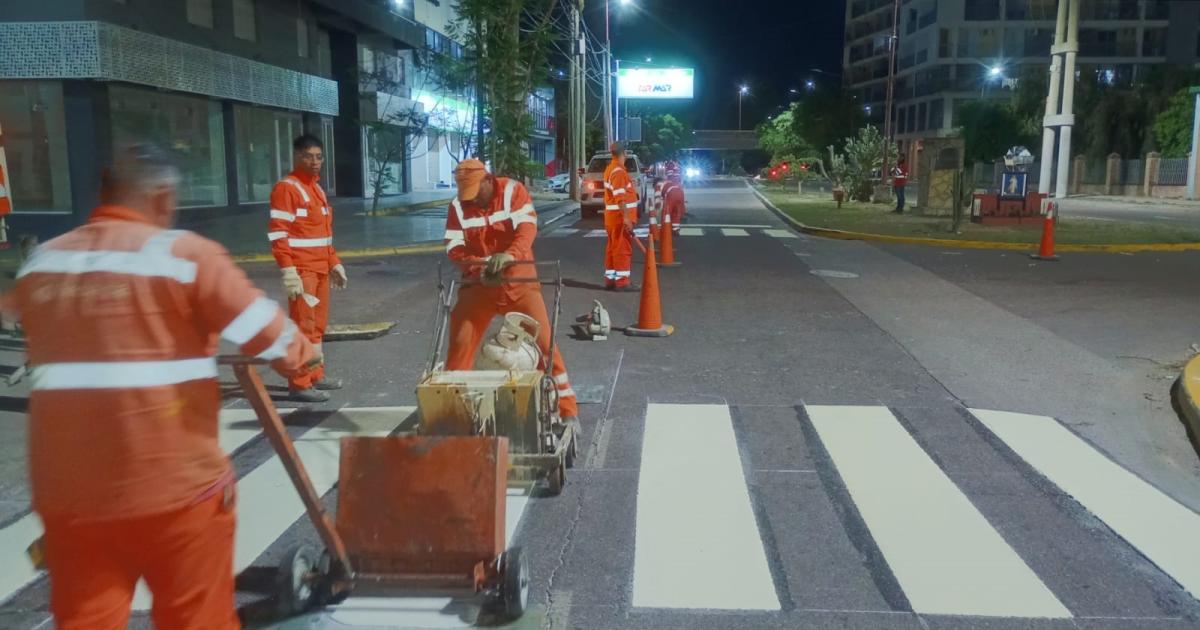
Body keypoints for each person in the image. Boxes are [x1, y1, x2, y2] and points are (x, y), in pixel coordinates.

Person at [5, 143, 316, 630]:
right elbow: (276, 338)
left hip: (70, 498)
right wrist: (304, 353)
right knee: (197, 618)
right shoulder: (185, 257)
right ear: (163, 196)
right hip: (175, 492)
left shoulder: (43, 262)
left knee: (87, 620)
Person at [443, 159, 579, 421]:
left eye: (475, 193)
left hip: (519, 283)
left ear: (488, 180)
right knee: (460, 344)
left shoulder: (512, 191)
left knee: (545, 347)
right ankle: (451, 411)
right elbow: (453, 247)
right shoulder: (458, 207)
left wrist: (509, 256)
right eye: (465, 194)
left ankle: (567, 408)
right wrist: (480, 268)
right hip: (479, 285)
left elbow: (527, 229)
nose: (472, 201)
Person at [268, 134, 346, 402]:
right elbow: (279, 234)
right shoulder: (287, 188)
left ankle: (315, 375)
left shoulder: (316, 189)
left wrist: (333, 262)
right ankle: (299, 383)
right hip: (303, 271)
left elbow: (323, 234)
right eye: (308, 156)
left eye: (319, 156)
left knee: (317, 327)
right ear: (297, 157)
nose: (315, 162)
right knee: (303, 326)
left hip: (320, 269)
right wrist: (288, 270)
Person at [602, 142, 639, 291]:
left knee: (613, 249)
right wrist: (626, 218)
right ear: (624, 154)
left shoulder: (611, 169)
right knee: (622, 249)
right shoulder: (618, 172)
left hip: (612, 218)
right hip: (619, 218)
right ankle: (623, 282)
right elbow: (620, 198)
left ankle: (610, 280)